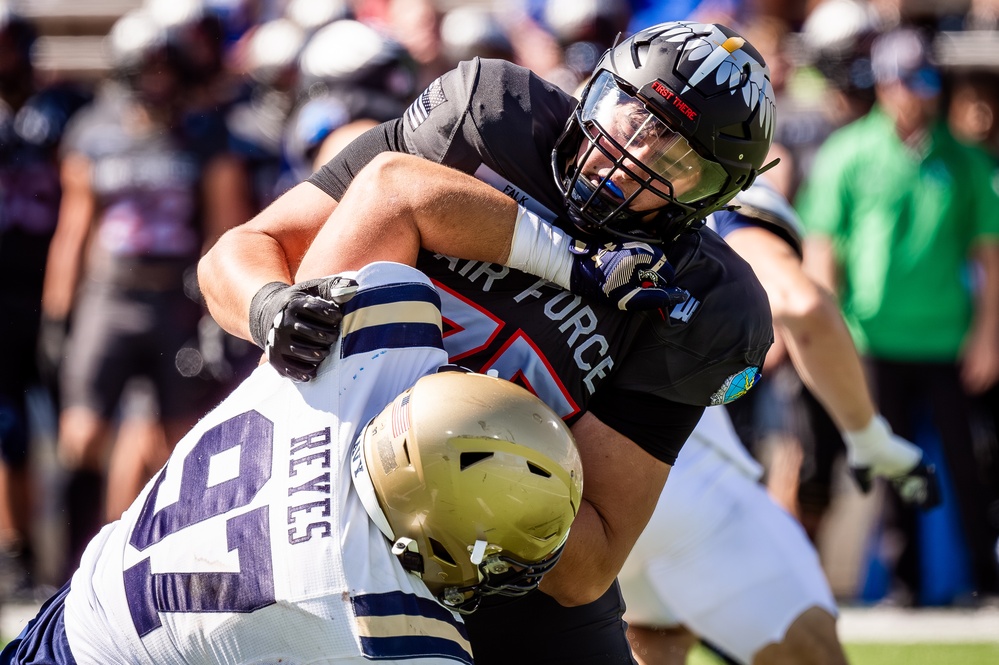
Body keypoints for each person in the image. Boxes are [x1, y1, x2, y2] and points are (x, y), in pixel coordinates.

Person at [200, 20, 778, 663]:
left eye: (675, 159)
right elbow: (245, 251)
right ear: (595, 87)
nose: (634, 155)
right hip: (321, 479)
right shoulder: (489, 121)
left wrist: (506, 509)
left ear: (713, 195)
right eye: (632, 115)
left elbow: (591, 559)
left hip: (498, 566)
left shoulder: (700, 304)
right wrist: (271, 307)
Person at [0, 260, 584, 665]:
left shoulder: (373, 352)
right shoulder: (386, 625)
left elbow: (389, 185)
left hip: (85, 604)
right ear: (431, 537)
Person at [618, 178, 937, 665]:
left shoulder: (561, 169)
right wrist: (871, 437)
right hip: (676, 479)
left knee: (657, 639)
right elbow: (801, 304)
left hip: (574, 484)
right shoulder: (724, 202)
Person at [38, 8, 253, 579]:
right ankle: (62, 571)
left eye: (167, 66)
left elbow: (226, 228)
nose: (157, 79)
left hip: (174, 303)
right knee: (80, 437)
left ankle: (155, 569)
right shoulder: (94, 130)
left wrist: (215, 309)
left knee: (178, 445)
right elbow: (74, 229)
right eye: (147, 67)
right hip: (109, 298)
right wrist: (57, 314)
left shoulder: (207, 134)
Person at [797, 26, 999, 605]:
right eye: (908, 80)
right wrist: (828, 331)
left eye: (927, 79)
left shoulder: (965, 161)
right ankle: (905, 586)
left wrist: (989, 335)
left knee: (968, 465)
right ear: (884, 85)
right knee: (891, 465)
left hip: (948, 338)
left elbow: (989, 252)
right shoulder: (848, 153)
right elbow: (824, 248)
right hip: (873, 339)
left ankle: (986, 581)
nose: (918, 92)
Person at [0, 4, 90, 598]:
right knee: (8, 429)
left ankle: (79, 552)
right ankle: (17, 552)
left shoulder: (63, 108)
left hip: (56, 288)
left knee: (75, 422)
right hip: (3, 291)